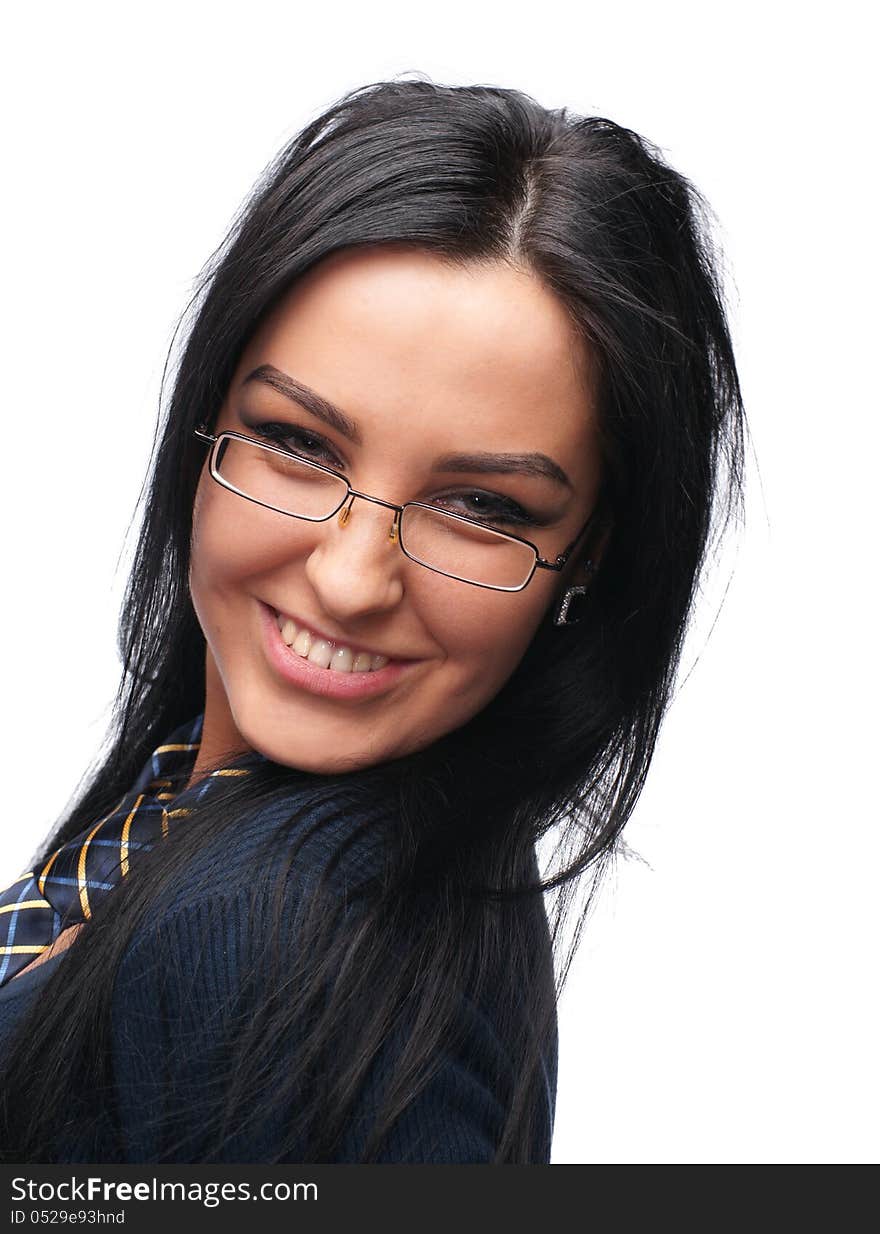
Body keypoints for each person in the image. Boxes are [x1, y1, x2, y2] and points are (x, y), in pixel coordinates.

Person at [0, 77, 745, 1164]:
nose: (351, 581)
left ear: (585, 556)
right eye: (298, 445)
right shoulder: (205, 818)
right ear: (207, 421)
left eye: (481, 507)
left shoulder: (276, 927)